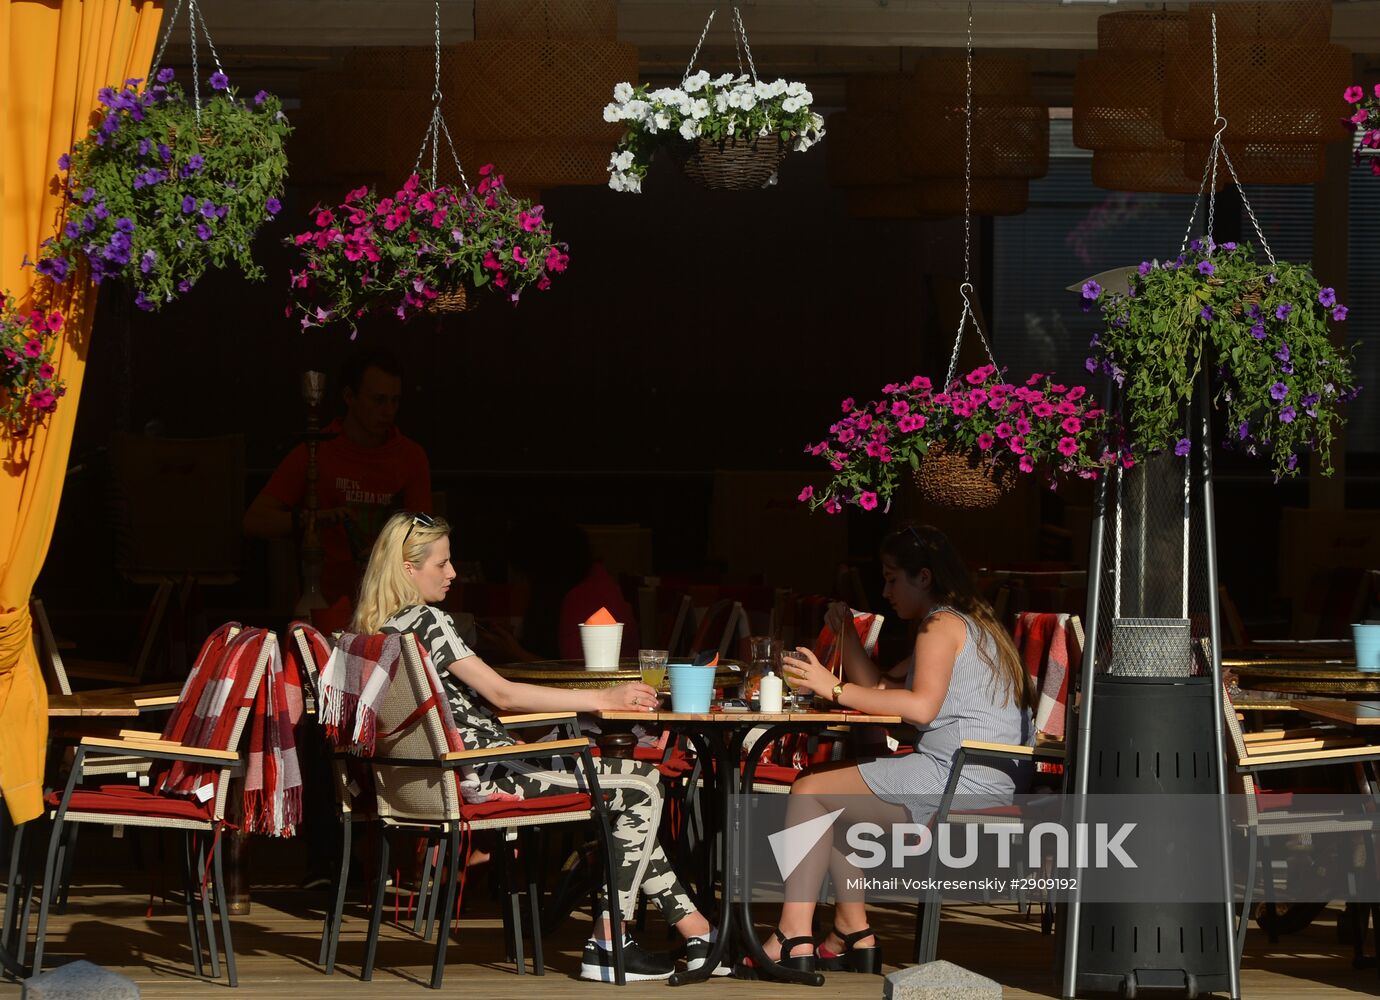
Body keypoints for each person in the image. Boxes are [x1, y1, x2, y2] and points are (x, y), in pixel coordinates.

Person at [352, 510, 723, 982]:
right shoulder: (426, 621)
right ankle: (610, 946)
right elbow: (502, 694)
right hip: (484, 774)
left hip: (436, 776)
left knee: (629, 791)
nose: (453, 573)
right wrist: (601, 698)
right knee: (642, 786)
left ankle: (699, 933)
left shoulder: (372, 631)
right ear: (408, 567)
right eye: (442, 563)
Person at [746, 523, 1035, 977]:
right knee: (835, 800)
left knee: (808, 790)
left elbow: (918, 708)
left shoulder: (940, 625)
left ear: (923, 576)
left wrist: (832, 687)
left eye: (892, 577)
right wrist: (844, 636)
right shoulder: (966, 621)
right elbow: (883, 686)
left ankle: (792, 935)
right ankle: (851, 931)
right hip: (984, 773)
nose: (885, 591)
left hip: (959, 776)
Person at [243, 346, 432, 607]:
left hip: (390, 602)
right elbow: (255, 520)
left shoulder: (410, 456)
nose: (388, 411)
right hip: (324, 602)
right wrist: (315, 519)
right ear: (349, 396)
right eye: (378, 400)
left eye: (395, 401)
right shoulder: (317, 452)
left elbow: (424, 538)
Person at [487, 517, 640, 662]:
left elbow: (578, 674)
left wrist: (515, 653)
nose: (523, 583)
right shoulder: (589, 582)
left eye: (527, 575)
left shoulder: (586, 596)